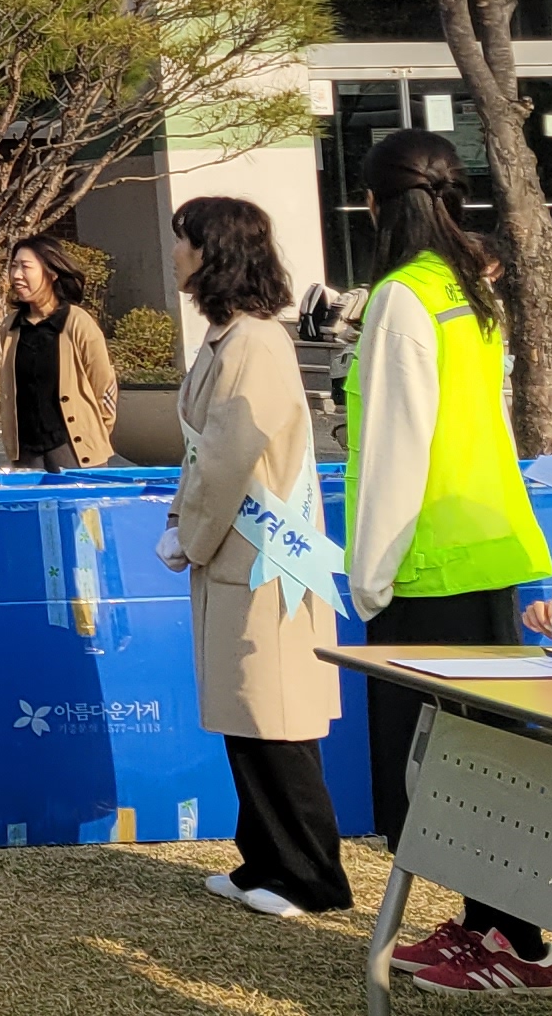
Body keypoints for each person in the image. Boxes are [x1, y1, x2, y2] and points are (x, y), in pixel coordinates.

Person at [341, 129, 552, 993]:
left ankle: (510, 943)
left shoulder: (403, 296)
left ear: (373, 204)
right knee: (486, 765)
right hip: (490, 549)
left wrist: (370, 575)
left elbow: (396, 446)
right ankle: (503, 935)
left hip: (428, 564)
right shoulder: (470, 289)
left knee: (442, 775)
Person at [158, 196, 351, 917]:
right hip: (240, 549)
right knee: (249, 713)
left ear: (216, 252)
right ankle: (264, 860)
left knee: (276, 717)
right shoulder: (232, 338)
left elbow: (233, 451)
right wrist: (186, 520)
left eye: (184, 241)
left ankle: (310, 876)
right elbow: (209, 451)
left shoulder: (254, 344)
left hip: (266, 554)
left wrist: (190, 531)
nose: (175, 253)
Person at [4, 237, 118, 471]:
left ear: (52, 272)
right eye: (13, 266)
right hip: (27, 455)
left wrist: (94, 433)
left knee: (82, 509)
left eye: (25, 267)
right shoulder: (10, 327)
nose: (16, 275)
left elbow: (104, 387)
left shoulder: (77, 323)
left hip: (74, 452)